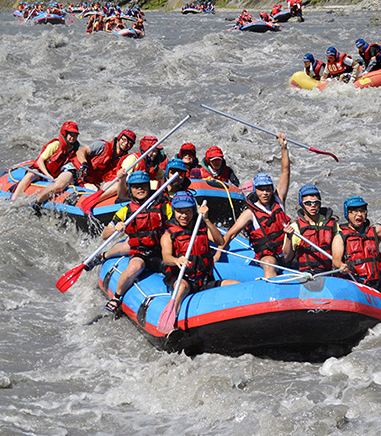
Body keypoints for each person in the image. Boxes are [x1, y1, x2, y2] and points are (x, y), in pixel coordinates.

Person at [216, 134, 290, 278]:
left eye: (268, 189)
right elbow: (231, 234)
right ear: (255, 191)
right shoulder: (250, 213)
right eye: (261, 189)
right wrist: (218, 253)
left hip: (288, 252)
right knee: (269, 264)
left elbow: (285, 171)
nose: (265, 193)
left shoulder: (278, 200)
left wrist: (284, 148)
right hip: (268, 256)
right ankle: (272, 288)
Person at [101, 170, 173, 314]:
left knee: (174, 270)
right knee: (135, 267)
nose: (140, 189)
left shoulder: (164, 206)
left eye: (143, 185)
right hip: (140, 252)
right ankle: (117, 297)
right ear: (131, 190)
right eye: (135, 186)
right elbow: (105, 234)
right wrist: (116, 228)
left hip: (161, 251)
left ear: (148, 186)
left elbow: (176, 226)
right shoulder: (126, 211)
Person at [161, 192, 239, 320]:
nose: (184, 215)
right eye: (180, 212)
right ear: (174, 211)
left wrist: (206, 219)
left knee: (235, 284)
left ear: (194, 211)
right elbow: (166, 257)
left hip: (204, 280)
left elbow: (220, 241)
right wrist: (176, 260)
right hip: (184, 279)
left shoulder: (201, 227)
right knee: (181, 287)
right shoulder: (168, 234)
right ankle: (172, 322)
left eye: (188, 211)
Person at [331, 195, 381, 298]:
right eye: (355, 211)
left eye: (362, 211)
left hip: (376, 285)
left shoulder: (375, 233)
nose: (359, 214)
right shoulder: (340, 237)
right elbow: (336, 260)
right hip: (355, 285)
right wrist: (341, 266)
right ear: (347, 214)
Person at [35, 128, 131, 206]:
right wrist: (84, 163)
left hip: (87, 180)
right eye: (124, 139)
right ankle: (37, 202)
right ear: (118, 139)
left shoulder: (123, 160)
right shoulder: (102, 146)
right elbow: (81, 151)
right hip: (75, 169)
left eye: (129, 142)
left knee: (94, 192)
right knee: (59, 186)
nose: (126, 143)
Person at [11, 121, 80, 201]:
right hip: (41, 172)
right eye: (71, 135)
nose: (73, 138)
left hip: (55, 175)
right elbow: (40, 161)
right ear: (65, 134)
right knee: (30, 175)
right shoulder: (55, 145)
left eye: (75, 135)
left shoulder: (75, 150)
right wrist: (47, 175)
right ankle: (14, 199)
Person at [281, 184, 340, 273]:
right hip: (308, 272)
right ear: (301, 205)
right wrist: (289, 237)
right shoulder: (295, 227)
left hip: (329, 271)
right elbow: (287, 258)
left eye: (316, 202)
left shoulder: (332, 223)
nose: (313, 205)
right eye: (308, 203)